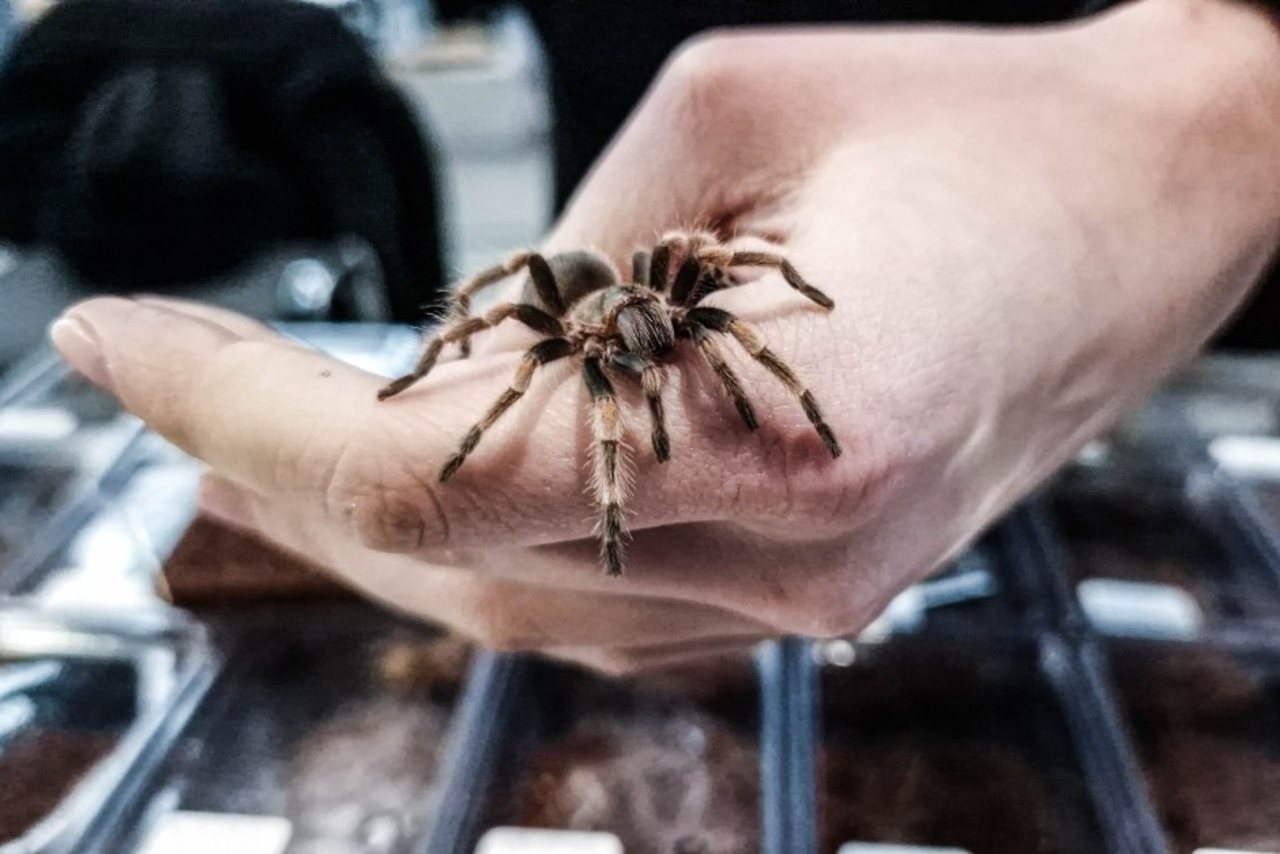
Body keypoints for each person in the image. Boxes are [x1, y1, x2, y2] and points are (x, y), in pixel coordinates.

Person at [48, 0, 1280, 673]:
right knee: (542, 391)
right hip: (606, 183)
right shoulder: (571, 330)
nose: (653, 347)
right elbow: (514, 342)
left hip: (1142, 284)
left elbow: (739, 269)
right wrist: (460, 405)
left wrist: (1226, 94)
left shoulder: (679, 295)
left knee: (710, 338)